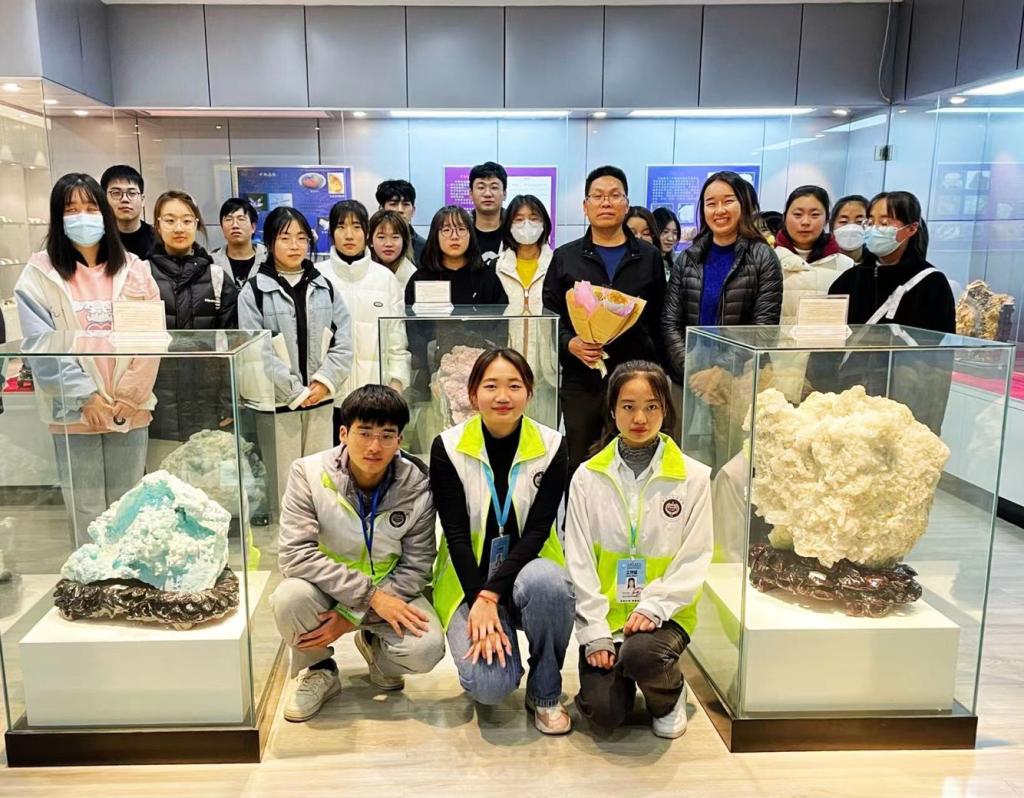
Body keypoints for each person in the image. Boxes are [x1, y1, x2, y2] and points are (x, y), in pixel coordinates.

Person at [271, 384, 445, 722]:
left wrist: (354, 613)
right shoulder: (308, 473)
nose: (374, 446)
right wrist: (368, 598)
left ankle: (376, 651)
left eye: (387, 435)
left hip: (392, 591)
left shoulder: (419, 485)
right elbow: (295, 554)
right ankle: (318, 668)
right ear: (343, 433)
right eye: (364, 433)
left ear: (400, 440)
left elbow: (418, 564)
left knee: (426, 648)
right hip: (326, 590)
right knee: (289, 598)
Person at [429, 349, 573, 734]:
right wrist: (480, 597)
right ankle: (501, 650)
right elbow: (456, 534)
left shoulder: (552, 445)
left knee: (549, 585)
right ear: (473, 394)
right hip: (468, 579)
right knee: (490, 687)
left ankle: (545, 693)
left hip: (530, 571)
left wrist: (491, 596)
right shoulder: (448, 447)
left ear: (529, 392)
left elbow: (538, 530)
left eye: (514, 385)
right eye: (491, 386)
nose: (503, 396)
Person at [565, 361, 711, 738]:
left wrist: (655, 606)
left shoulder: (694, 477)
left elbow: (695, 556)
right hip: (607, 618)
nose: (640, 418)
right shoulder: (586, 477)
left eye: (652, 406)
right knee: (603, 714)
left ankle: (668, 696)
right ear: (612, 410)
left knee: (642, 654)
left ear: (666, 409)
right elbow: (579, 561)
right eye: (628, 406)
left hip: (665, 615)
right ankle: (623, 681)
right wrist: (595, 630)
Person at [15, 173, 160, 544]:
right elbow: (41, 347)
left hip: (129, 408)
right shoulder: (38, 275)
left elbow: (149, 340)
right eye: (71, 209)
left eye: (91, 207)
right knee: (86, 507)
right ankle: (92, 575)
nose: (82, 216)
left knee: (129, 503)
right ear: (57, 217)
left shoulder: (135, 269)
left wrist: (129, 396)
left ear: (104, 214)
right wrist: (86, 396)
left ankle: (129, 573)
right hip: (74, 412)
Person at [542, 165, 665, 480]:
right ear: (586, 206)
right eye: (597, 196)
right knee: (581, 462)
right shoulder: (566, 257)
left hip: (635, 377)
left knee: (637, 458)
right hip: (582, 379)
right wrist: (570, 343)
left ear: (626, 204)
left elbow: (660, 318)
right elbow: (549, 315)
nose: (606, 202)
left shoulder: (649, 256)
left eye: (614, 195)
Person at [238, 207, 353, 514]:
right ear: (270, 242)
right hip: (278, 403)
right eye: (285, 237)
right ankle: (286, 539)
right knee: (285, 484)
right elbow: (255, 350)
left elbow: (344, 341)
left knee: (320, 481)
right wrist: (294, 391)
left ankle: (320, 535)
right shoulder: (254, 291)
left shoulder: (324, 286)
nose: (295, 245)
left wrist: (323, 383)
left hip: (320, 400)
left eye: (302, 238)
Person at [661, 170, 783, 385]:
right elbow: (670, 321)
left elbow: (763, 328)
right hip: (692, 375)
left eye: (728, 201)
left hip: (741, 376)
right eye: (711, 203)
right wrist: (689, 367)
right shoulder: (688, 258)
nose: (719, 210)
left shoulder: (763, 257)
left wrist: (721, 370)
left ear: (743, 204)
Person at [147, 190, 239, 470]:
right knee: (159, 484)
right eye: (170, 220)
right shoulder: (141, 275)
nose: (179, 228)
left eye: (187, 220)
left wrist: (227, 402)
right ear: (157, 225)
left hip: (207, 406)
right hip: (157, 405)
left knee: (206, 484)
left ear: (197, 224)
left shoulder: (217, 277)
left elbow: (232, 345)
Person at [318, 200, 410, 436]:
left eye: (357, 227)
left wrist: (396, 384)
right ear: (332, 233)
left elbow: (397, 340)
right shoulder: (318, 277)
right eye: (341, 227)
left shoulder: (385, 278)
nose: (349, 235)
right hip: (327, 398)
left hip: (376, 397)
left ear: (367, 233)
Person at [494, 195, 558, 423]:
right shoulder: (496, 267)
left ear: (545, 223)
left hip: (548, 369)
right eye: (519, 219)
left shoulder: (559, 265)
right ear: (508, 225)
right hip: (506, 365)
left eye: (533, 218)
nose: (527, 225)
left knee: (545, 431)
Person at [774, 186, 853, 324]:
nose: (805, 222)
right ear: (785, 217)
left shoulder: (846, 266)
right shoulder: (769, 261)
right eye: (797, 214)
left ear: (827, 220)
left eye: (814, 215)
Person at [404, 205, 508, 306]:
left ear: (471, 235)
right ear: (435, 236)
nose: (454, 236)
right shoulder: (420, 279)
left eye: (461, 229)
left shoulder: (488, 279)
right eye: (446, 230)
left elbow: (501, 316)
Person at [100, 164, 155, 260]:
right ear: (104, 199)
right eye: (116, 193)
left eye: (132, 193)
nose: (125, 199)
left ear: (142, 200)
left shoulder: (158, 240)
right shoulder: (96, 242)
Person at [211, 197, 268, 288]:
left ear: (253, 227)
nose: (235, 225)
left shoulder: (268, 259)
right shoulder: (211, 262)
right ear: (222, 228)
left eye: (241, 219)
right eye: (229, 219)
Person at [376, 179, 426, 266]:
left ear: (413, 210)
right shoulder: (370, 245)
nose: (400, 210)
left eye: (405, 204)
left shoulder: (425, 248)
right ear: (381, 209)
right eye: (393, 204)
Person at [368, 209, 417, 289]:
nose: (388, 244)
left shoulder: (412, 275)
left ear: (404, 241)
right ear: (370, 241)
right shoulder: (361, 271)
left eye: (395, 237)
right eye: (381, 237)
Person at [469, 161, 507, 262]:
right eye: (481, 187)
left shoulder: (515, 229)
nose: (487, 194)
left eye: (494, 187)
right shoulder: (461, 230)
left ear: (504, 194)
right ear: (471, 193)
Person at [830, 194, 870, 265]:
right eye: (843, 221)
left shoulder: (878, 264)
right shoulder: (820, 261)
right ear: (832, 225)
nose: (851, 228)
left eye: (860, 221)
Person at [652, 207, 681, 280]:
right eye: (665, 232)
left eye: (675, 233)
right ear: (654, 232)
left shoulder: (677, 262)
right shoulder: (647, 263)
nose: (670, 238)